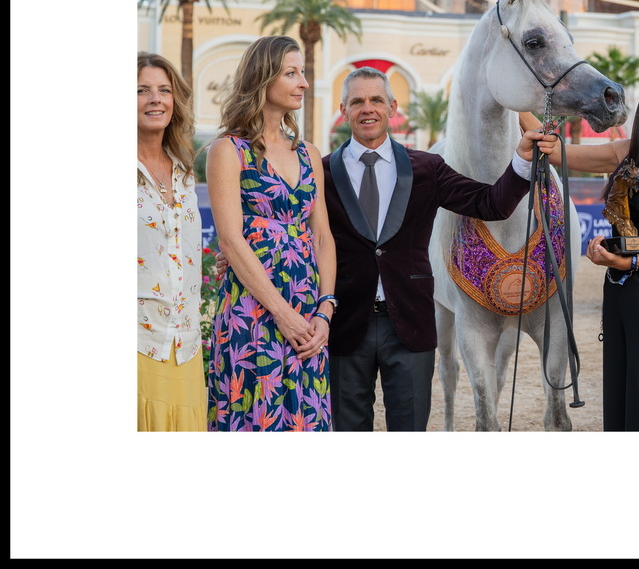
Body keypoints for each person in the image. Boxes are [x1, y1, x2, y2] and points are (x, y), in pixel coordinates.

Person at [216, 65, 544, 431]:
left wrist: (521, 161)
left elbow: (491, 204)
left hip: (410, 324)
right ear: (344, 110)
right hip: (342, 327)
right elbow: (291, 229)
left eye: (376, 100)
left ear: (393, 106)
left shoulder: (428, 168)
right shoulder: (317, 171)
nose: (367, 108)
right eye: (357, 101)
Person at [528, 63, 639, 431]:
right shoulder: (627, 151)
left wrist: (631, 263)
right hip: (621, 294)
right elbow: (559, 152)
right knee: (621, 399)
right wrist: (511, 100)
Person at [206, 35, 338, 431]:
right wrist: (283, 315)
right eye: (292, 73)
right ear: (263, 79)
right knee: (255, 416)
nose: (304, 83)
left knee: (304, 418)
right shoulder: (228, 150)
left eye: (304, 73)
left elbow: (322, 237)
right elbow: (230, 240)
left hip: (308, 319)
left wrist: (324, 312)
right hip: (253, 311)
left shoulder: (308, 153)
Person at [137, 51, 206, 431]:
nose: (155, 99)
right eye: (141, 90)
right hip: (136, 339)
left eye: (164, 90)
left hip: (186, 342)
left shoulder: (183, 170)